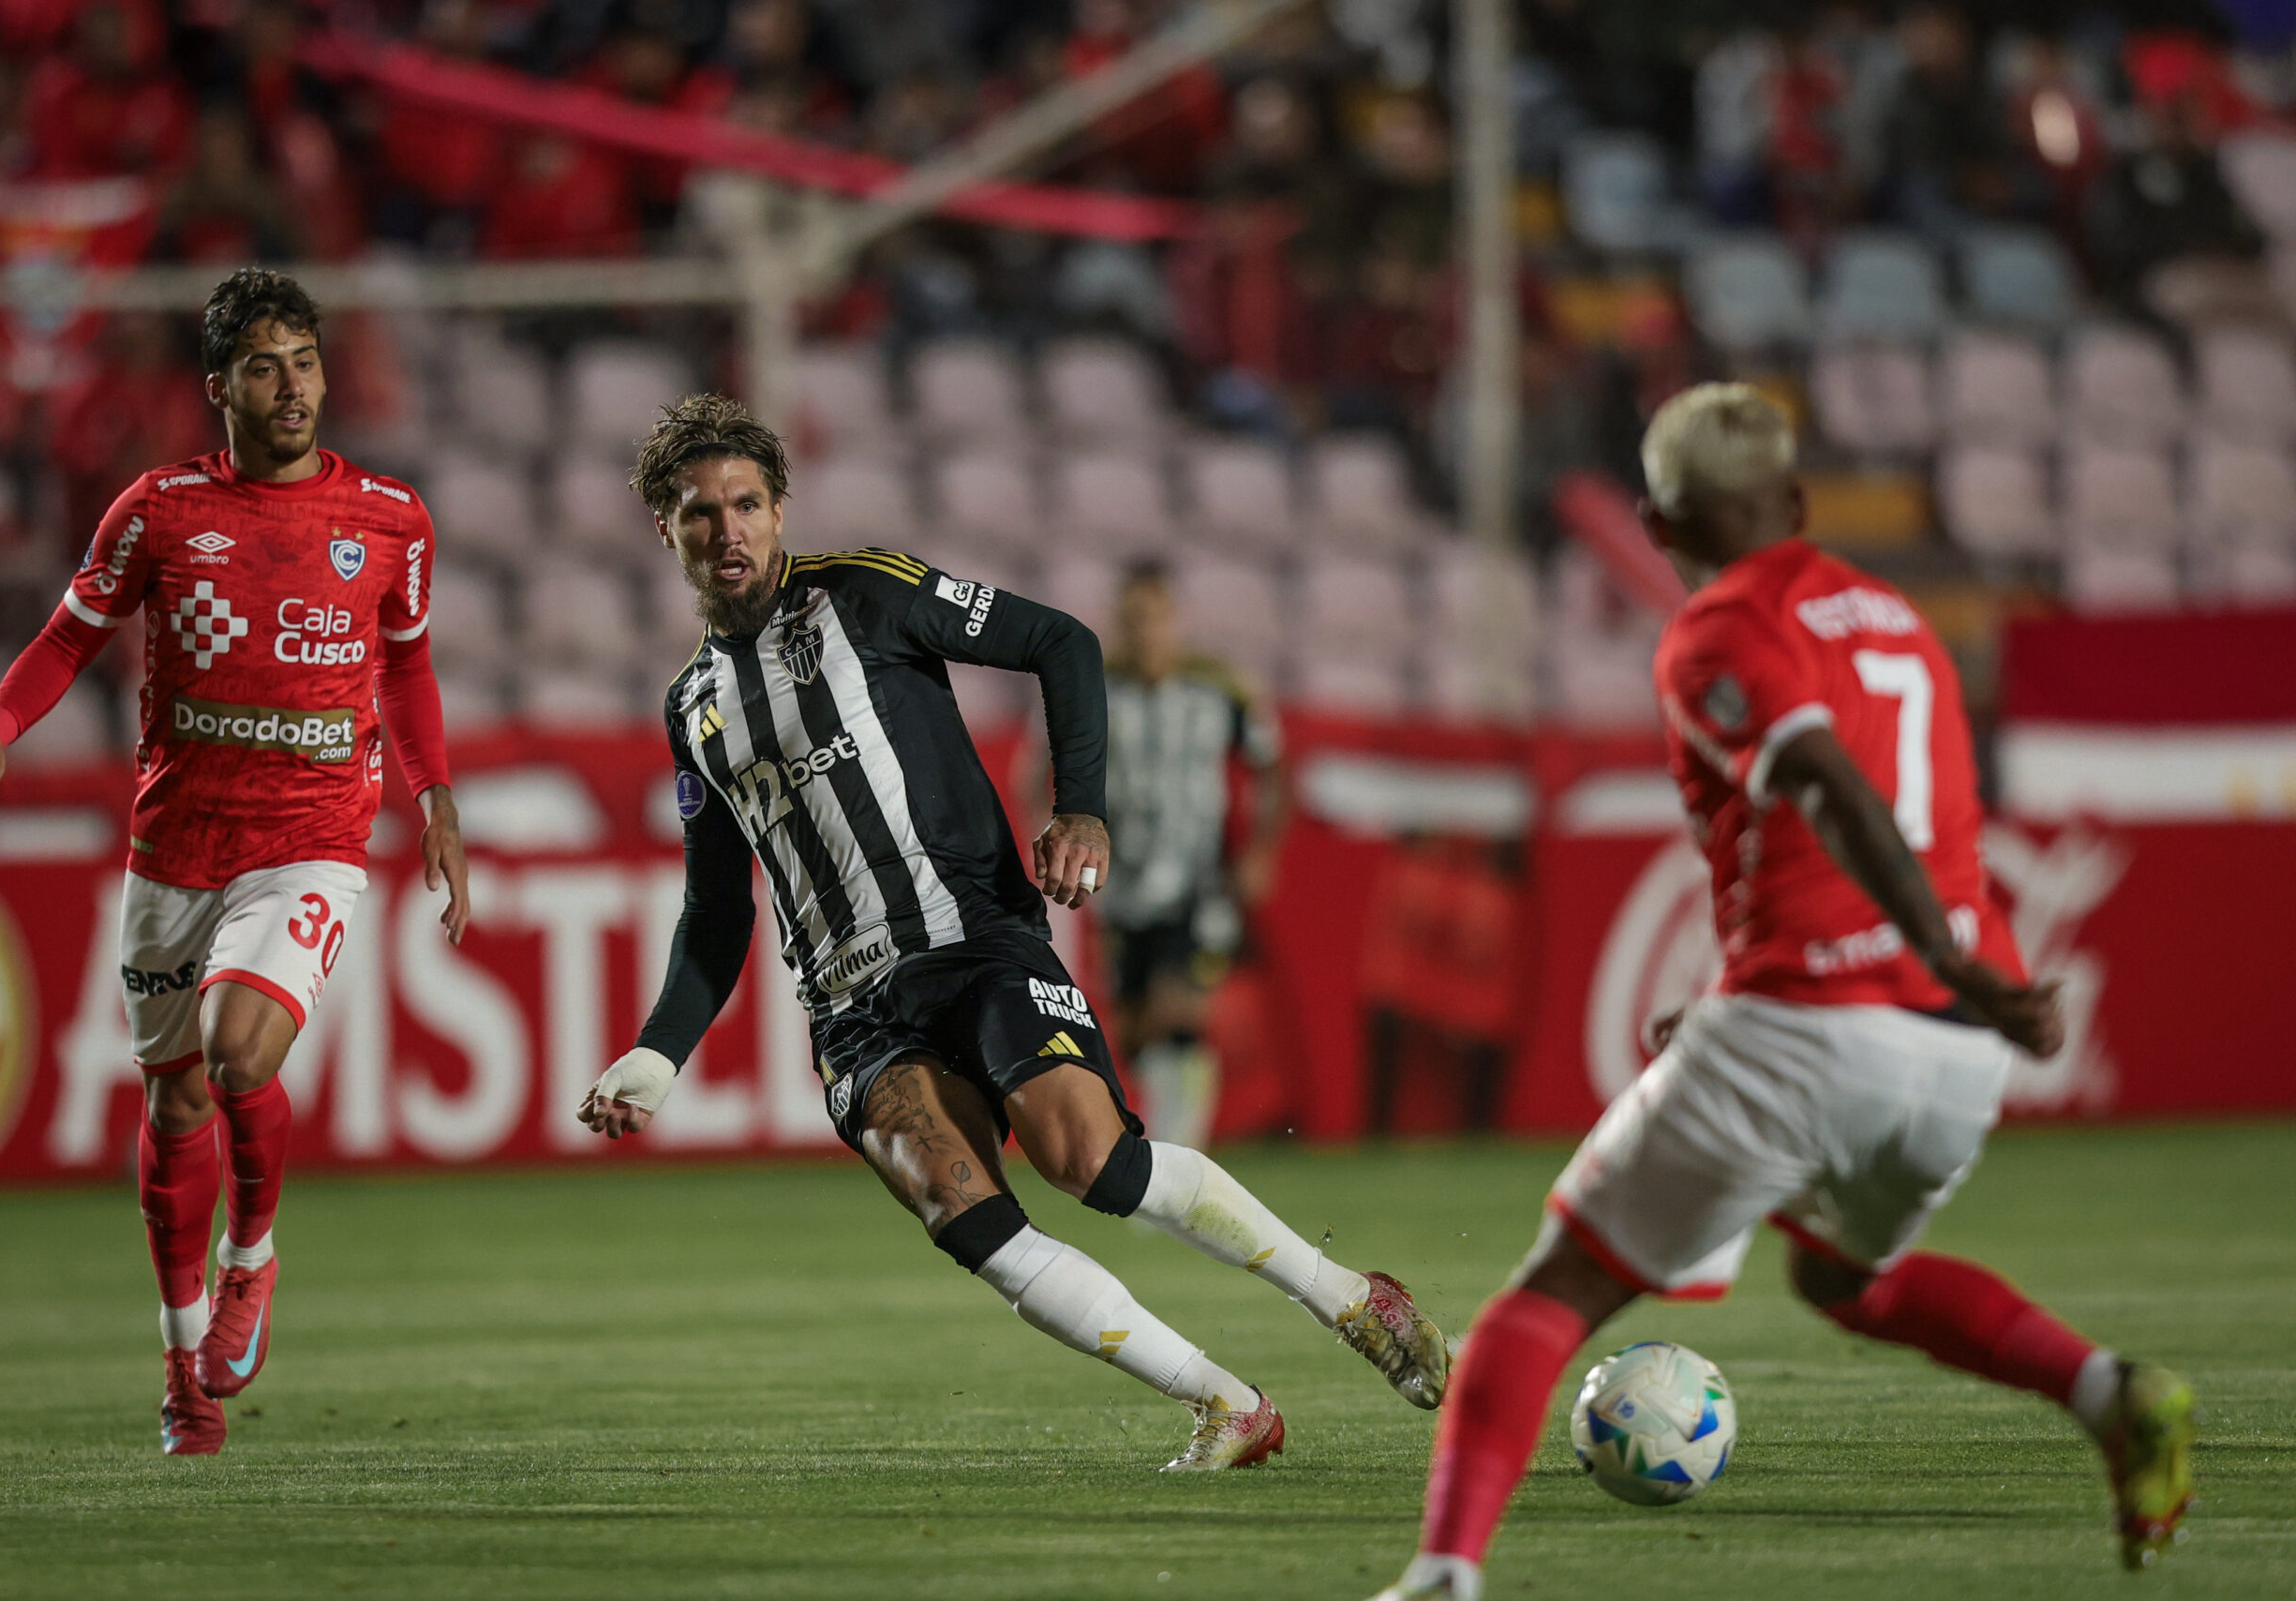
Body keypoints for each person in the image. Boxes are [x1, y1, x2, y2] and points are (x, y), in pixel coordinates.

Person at [1368, 384, 2193, 1598]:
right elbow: (1882, 828)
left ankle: (1443, 1575)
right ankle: (2107, 1391)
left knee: (1550, 1294)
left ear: (1658, 523)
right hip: (1953, 1050)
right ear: (1799, 501)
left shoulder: (1717, 629)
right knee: (1842, 1276)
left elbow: (1826, 794)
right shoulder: (1902, 623)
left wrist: (1900, 963)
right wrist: (1955, 967)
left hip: (1824, 1023)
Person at [576, 397, 1446, 1470]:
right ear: (664, 530)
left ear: (779, 507)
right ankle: (1225, 1402)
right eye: (698, 513)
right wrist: (660, 1050)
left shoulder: (867, 593)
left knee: (1096, 1164)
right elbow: (718, 905)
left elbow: (1059, 641)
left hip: (974, 940)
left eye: (746, 503)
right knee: (967, 1217)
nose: (728, 531)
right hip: (852, 1014)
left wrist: (1081, 803)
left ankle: (1350, 1298)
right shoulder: (693, 707)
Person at [0, 268, 470, 1457]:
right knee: (174, 1095)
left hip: (314, 839)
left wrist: (434, 795)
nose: (294, 388)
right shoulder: (158, 511)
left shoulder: (388, 518)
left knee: (238, 1053)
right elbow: (70, 631)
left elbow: (409, 667)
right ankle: (182, 1370)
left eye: (307, 361)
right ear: (218, 385)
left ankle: (254, 1258)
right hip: (176, 845)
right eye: (267, 367)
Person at [1100, 561, 1284, 1147]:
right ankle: (1168, 1137)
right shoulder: (1093, 688)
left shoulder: (1218, 689)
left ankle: (1178, 1151)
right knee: (1132, 1031)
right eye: (1132, 619)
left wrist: (1258, 852)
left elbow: (1274, 770)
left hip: (1197, 879)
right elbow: (1038, 773)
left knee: (1176, 1012)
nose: (1142, 631)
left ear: (1173, 620)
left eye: (1152, 617)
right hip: (1121, 884)